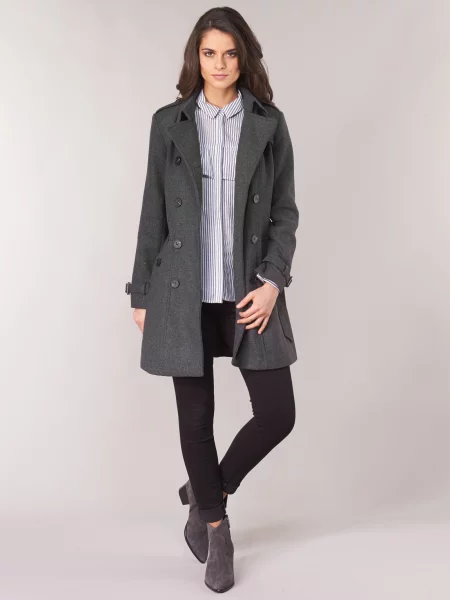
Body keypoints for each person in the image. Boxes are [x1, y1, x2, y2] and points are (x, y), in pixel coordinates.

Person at [125, 6, 299, 594]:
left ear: (243, 58)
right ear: (195, 58)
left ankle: (206, 490)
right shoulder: (168, 123)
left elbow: (285, 213)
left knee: (278, 413)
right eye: (209, 53)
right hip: (183, 291)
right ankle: (217, 531)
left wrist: (272, 282)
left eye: (229, 53)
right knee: (196, 419)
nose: (219, 64)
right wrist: (141, 291)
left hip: (250, 291)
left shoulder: (269, 123)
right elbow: (152, 211)